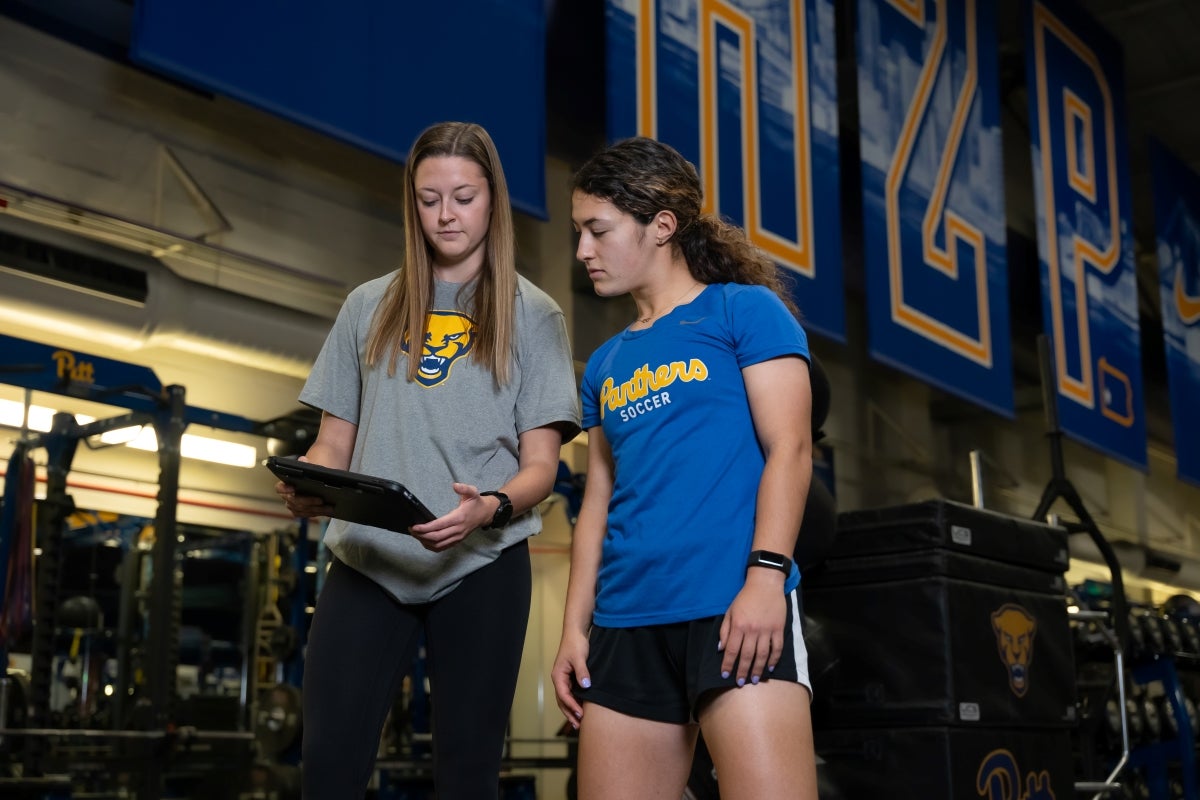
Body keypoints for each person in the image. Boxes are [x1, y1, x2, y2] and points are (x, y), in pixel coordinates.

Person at [277, 121, 581, 799]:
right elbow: (334, 442)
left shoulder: (534, 315)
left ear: (493, 202)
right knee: (327, 769)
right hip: (370, 558)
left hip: (481, 563)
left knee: (467, 774)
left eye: (464, 197)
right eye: (429, 198)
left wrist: (490, 508)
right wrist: (310, 482)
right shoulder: (368, 306)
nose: (445, 214)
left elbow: (541, 467)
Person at [551, 137, 819, 799]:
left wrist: (765, 579)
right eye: (578, 232)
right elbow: (597, 504)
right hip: (624, 622)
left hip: (730, 607)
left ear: (661, 225)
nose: (583, 250)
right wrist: (572, 630)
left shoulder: (741, 311)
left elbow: (792, 449)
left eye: (598, 230)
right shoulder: (607, 363)